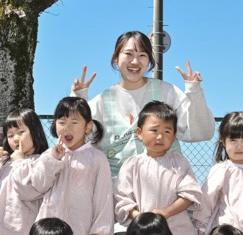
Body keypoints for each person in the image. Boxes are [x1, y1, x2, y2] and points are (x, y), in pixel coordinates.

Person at [71, 30, 214, 176]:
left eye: (142, 55)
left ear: (150, 61)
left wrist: (194, 92)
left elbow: (201, 132)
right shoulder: (102, 101)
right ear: (115, 59)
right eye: (128, 54)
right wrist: (77, 100)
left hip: (167, 179)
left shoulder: (167, 91)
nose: (135, 61)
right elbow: (76, 139)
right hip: (118, 185)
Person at [113, 101, 207, 235]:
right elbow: (121, 198)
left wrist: (166, 213)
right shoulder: (132, 164)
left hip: (174, 231)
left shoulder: (179, 162)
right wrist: (139, 217)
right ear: (139, 132)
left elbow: (190, 194)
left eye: (167, 131)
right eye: (154, 130)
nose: (160, 136)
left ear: (174, 135)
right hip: (140, 232)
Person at [28, 97, 113, 235]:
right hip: (48, 230)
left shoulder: (97, 158)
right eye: (62, 122)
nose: (67, 128)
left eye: (74, 122)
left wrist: (101, 229)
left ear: (88, 127)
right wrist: (53, 159)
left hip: (81, 230)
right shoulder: (49, 155)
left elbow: (104, 195)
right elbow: (39, 184)